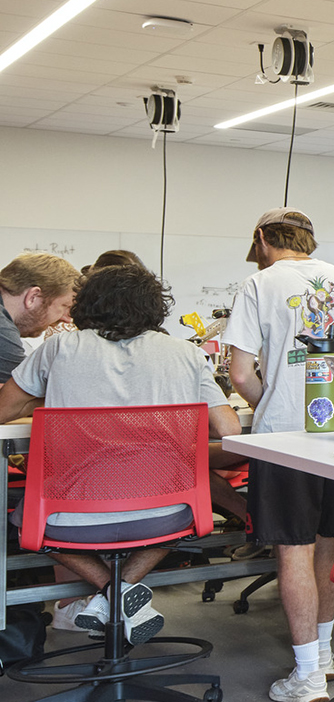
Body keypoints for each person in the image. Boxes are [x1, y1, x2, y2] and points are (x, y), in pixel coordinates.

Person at [0, 263, 240, 644]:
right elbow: (227, 429)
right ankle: (125, 592)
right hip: (167, 512)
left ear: (87, 305)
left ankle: (111, 594)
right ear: (154, 307)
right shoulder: (185, 354)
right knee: (181, 514)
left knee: (25, 521)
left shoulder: (59, 348)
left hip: (70, 515)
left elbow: (3, 409)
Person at [224, 209, 334, 702]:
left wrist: (270, 401)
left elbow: (238, 372)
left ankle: (305, 677)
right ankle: (325, 658)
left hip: (285, 438)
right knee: (327, 544)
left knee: (291, 549)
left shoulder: (260, 284)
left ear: (262, 239)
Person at [0, 253, 81, 383]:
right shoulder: (3, 332)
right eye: (64, 306)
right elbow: (16, 398)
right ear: (33, 296)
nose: (67, 319)